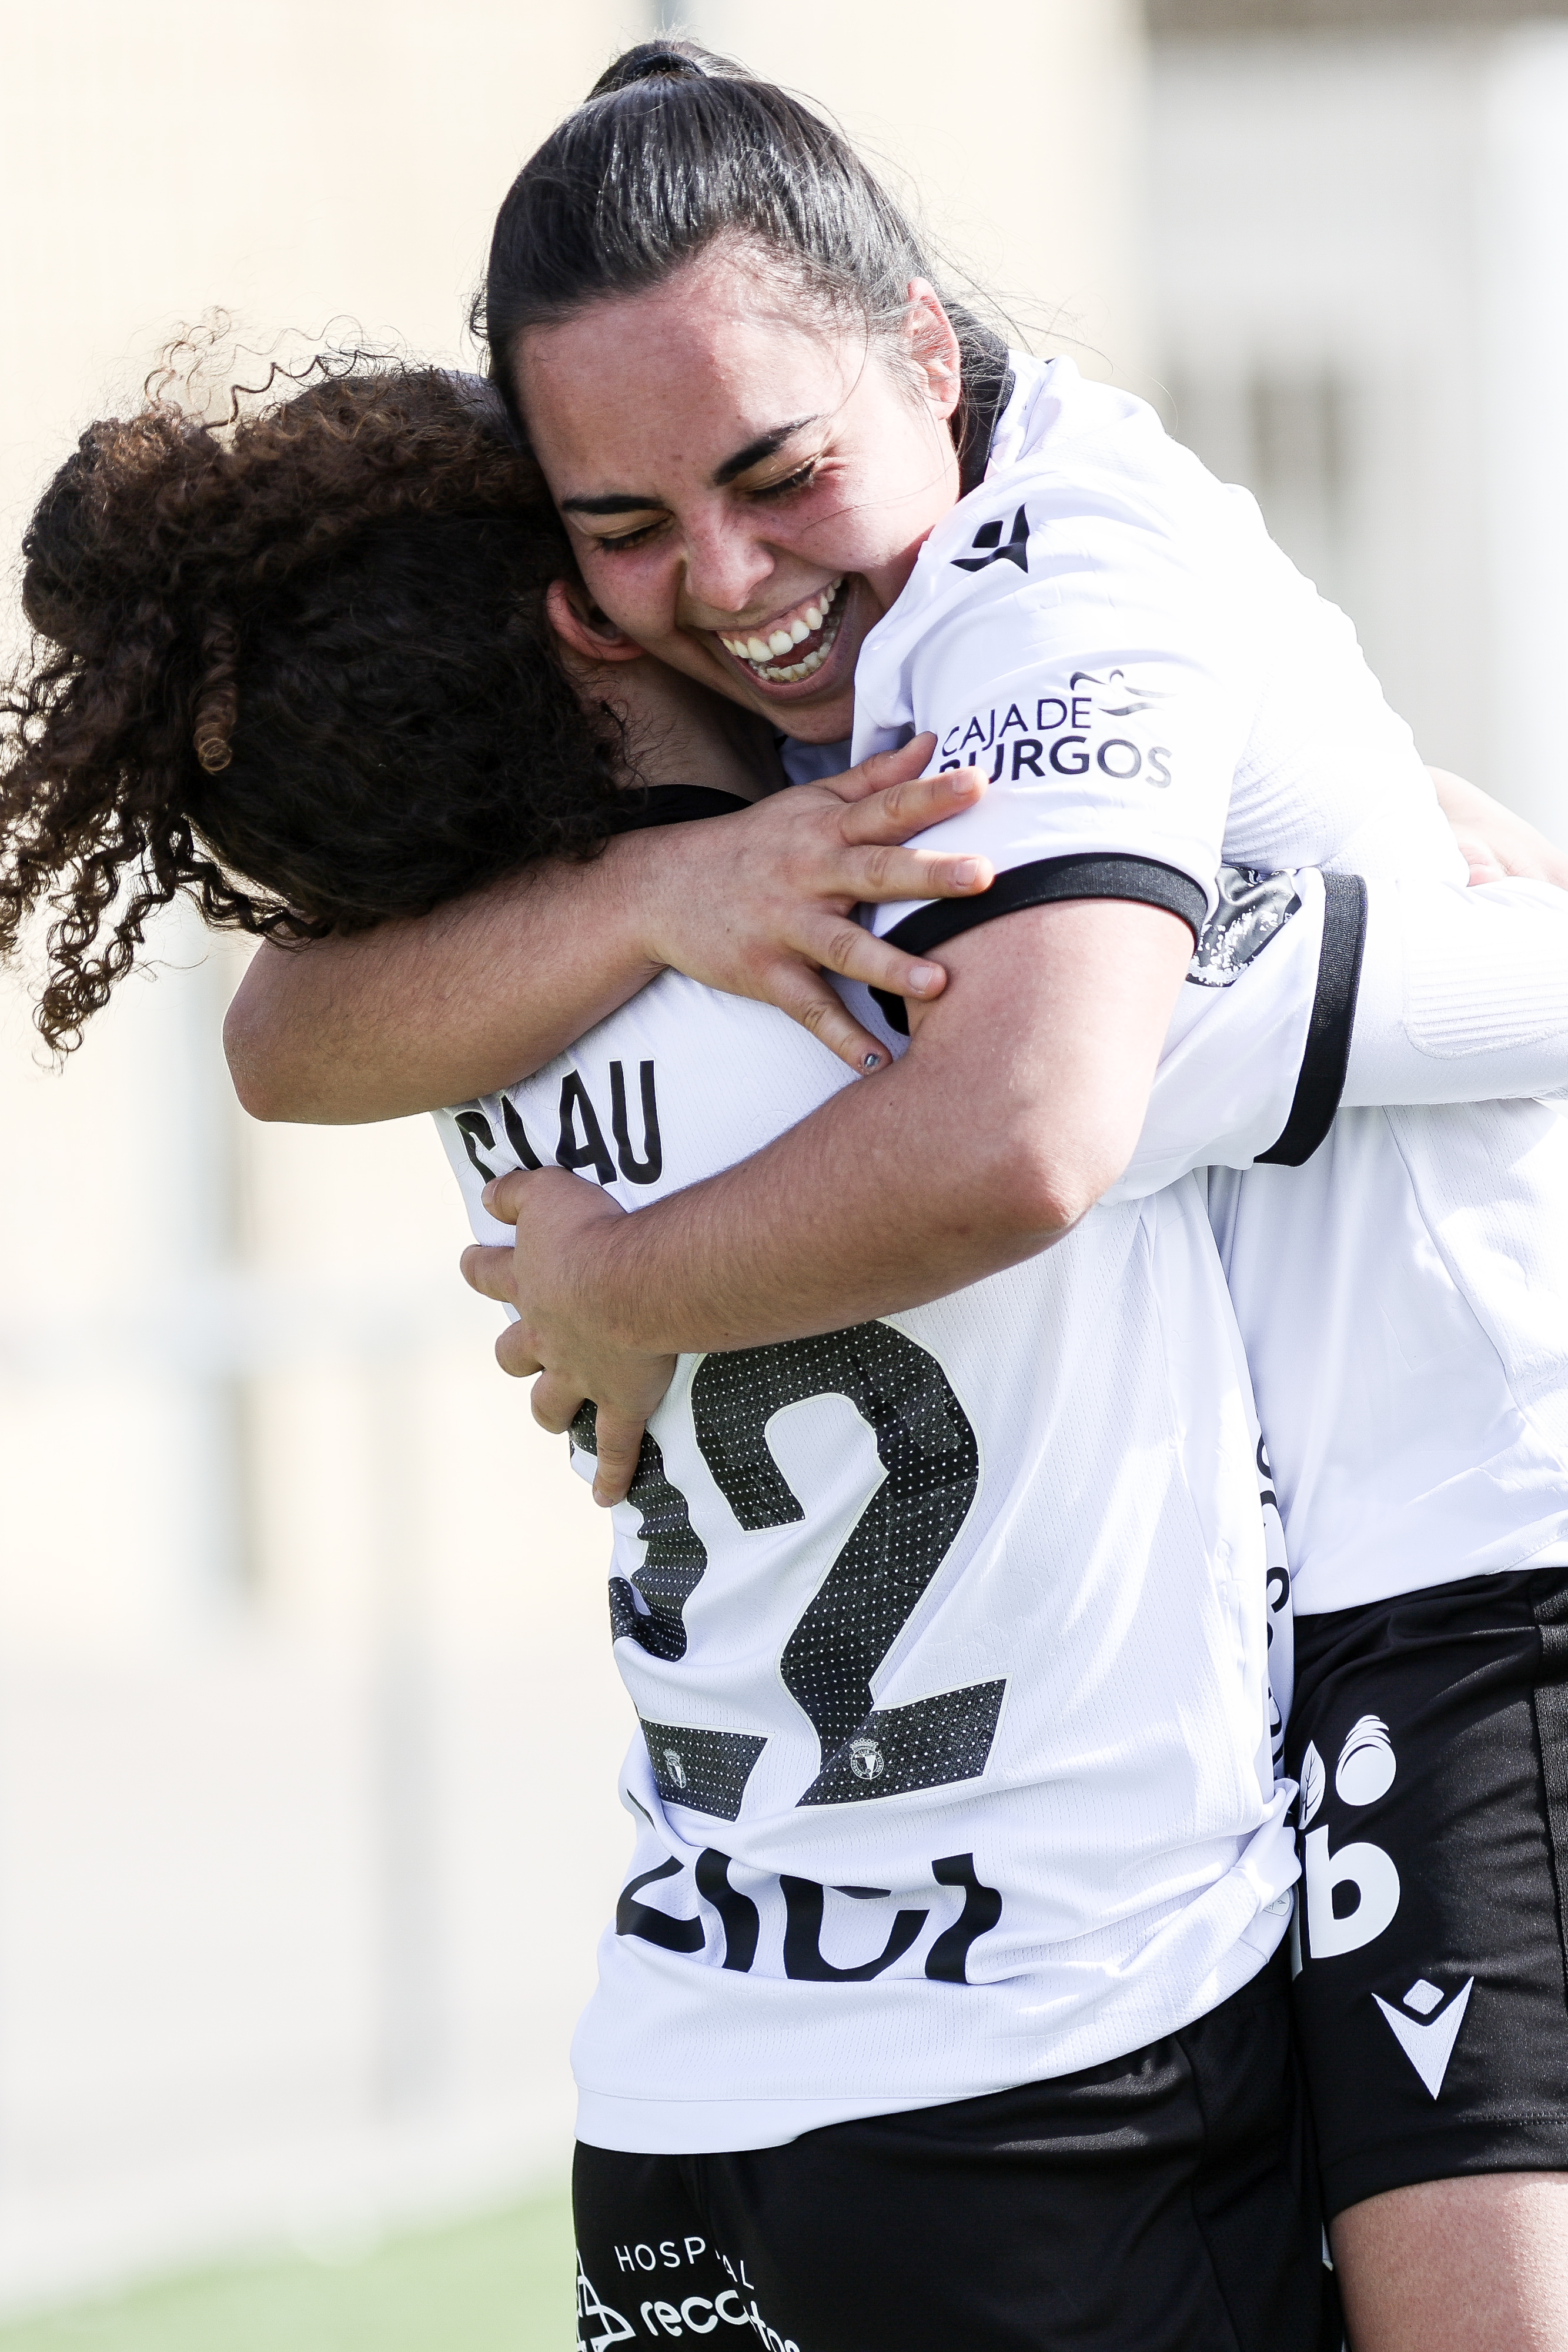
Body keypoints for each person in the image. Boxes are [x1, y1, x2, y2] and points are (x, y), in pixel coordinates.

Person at [219, 43, 1568, 2350]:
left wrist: (636, 1276)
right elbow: (284, 1035)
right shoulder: (811, 883)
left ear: (922, 354)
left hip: (1455, 1554)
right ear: (551, 595)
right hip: (1133, 1839)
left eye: (775, 475)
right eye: (621, 529)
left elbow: (1024, 1128)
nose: (723, 582)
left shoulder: (1027, 651)